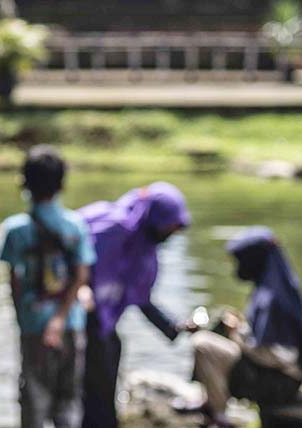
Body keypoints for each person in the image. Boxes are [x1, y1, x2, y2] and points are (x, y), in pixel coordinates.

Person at [79, 182, 193, 428]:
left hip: (103, 325)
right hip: (79, 319)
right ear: (154, 217)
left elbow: (140, 297)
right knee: (94, 388)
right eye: (170, 227)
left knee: (110, 359)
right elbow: (77, 263)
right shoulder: (112, 227)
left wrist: (174, 326)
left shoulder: (142, 246)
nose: (171, 233)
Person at [0, 146, 95, 428]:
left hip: (33, 324)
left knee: (34, 400)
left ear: (23, 183)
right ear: (62, 184)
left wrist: (22, 319)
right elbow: (81, 276)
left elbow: (14, 281)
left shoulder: (15, 230)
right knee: (69, 399)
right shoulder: (76, 225)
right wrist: (61, 317)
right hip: (71, 322)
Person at [190, 227, 302, 428]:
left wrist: (237, 333)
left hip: (279, 384)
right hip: (276, 375)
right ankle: (209, 402)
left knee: (202, 343)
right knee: (217, 329)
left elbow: (277, 356)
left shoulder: (273, 299)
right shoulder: (274, 285)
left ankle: (219, 415)